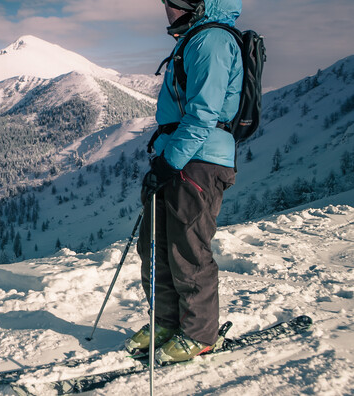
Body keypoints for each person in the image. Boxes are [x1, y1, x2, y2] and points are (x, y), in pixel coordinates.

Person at [124, 0, 242, 364]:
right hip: (178, 157)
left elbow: (203, 114)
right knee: (155, 245)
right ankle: (165, 322)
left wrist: (169, 162)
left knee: (187, 248)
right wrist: (164, 161)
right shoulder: (194, 39)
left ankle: (198, 334)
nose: (168, 12)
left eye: (173, 4)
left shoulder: (212, 42)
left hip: (199, 162)